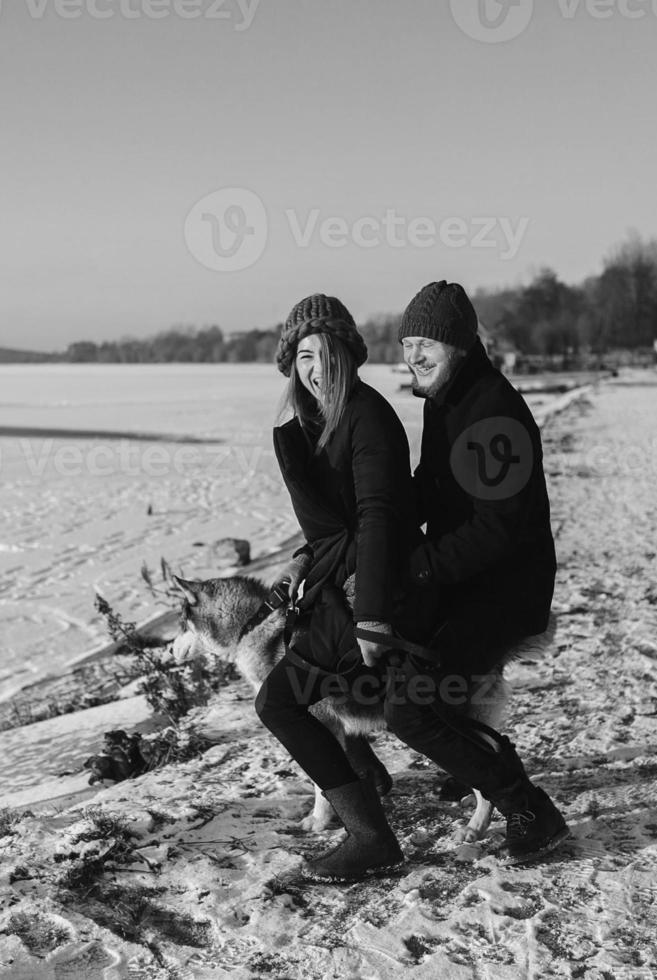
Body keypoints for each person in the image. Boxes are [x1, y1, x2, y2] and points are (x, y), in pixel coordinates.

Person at [383, 279, 571, 864]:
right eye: (407, 342)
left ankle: (527, 807)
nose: (413, 355)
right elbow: (430, 491)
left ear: (460, 345)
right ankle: (475, 766)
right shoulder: (447, 401)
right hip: (465, 582)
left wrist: (416, 569)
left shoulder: (491, 413)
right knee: (408, 682)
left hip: (503, 591)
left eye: (427, 344)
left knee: (410, 705)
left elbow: (496, 530)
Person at [254, 293, 424, 882]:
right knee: (293, 702)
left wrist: (371, 615)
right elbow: (334, 521)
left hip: (365, 589)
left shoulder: (366, 415)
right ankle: (368, 810)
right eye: (303, 355)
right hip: (337, 579)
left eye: (327, 354)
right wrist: (303, 559)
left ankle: (371, 835)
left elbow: (377, 516)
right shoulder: (316, 420)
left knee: (280, 701)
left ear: (349, 356)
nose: (315, 367)